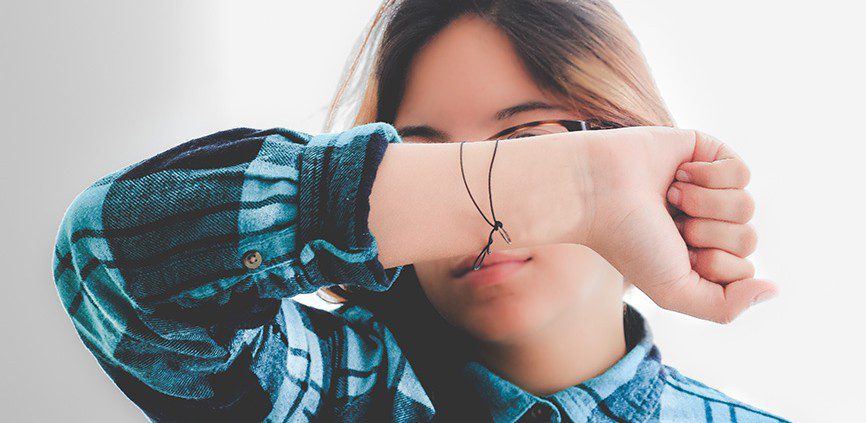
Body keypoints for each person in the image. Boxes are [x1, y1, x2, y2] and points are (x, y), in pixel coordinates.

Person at [53, 0, 785, 421]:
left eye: (524, 142)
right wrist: (567, 188)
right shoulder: (335, 393)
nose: (489, 214)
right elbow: (105, 257)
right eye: (431, 162)